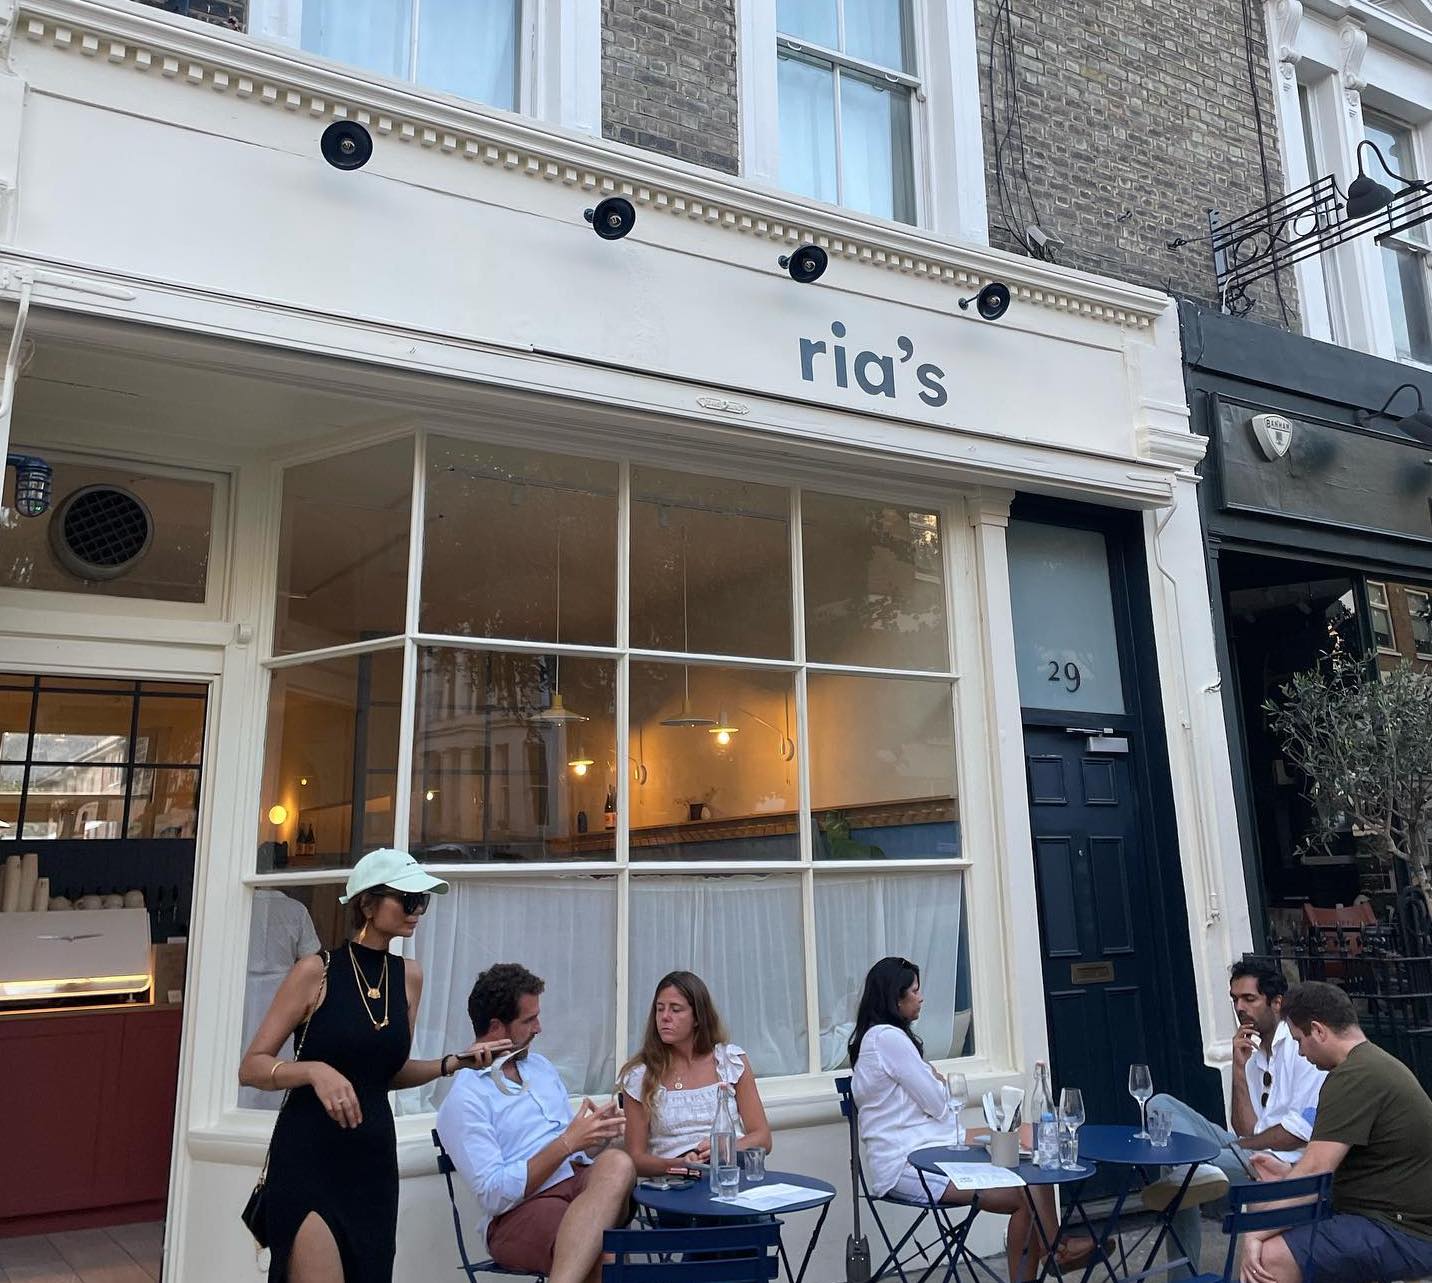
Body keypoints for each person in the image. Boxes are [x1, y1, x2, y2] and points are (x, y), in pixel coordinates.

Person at [238, 848, 509, 1283]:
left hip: (372, 1162)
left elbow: (387, 1072)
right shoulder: (316, 971)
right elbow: (252, 1066)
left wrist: (453, 1062)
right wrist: (313, 1070)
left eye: (422, 901)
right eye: (407, 900)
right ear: (368, 903)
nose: (417, 910)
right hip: (310, 1156)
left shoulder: (409, 976)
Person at [850, 957, 1062, 1283]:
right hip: (909, 1161)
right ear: (896, 997)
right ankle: (1054, 1251)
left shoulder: (881, 1039)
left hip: (934, 1143)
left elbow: (935, 1098)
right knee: (1023, 1194)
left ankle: (1057, 1247)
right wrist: (936, 1080)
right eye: (915, 991)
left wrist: (935, 1081)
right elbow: (937, 1102)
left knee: (1030, 1143)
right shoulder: (888, 1039)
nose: (921, 998)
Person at [435, 963, 636, 1283]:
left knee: (617, 1162)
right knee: (598, 1254)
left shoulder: (540, 1067)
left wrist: (596, 1136)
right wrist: (567, 1143)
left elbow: (575, 1152)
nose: (539, 1028)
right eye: (529, 1020)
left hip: (581, 1187)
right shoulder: (465, 1099)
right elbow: (493, 1194)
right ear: (497, 1027)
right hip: (520, 1211)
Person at [1238, 981, 1432, 1283]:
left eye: (1300, 1040)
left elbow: (1316, 1170)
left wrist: (1255, 1232)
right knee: (1271, 1203)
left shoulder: (1353, 1077)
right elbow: (1332, 1164)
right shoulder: (1372, 1064)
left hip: (1403, 1231)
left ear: (1318, 1030)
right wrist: (1288, 1168)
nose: (1301, 1053)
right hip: (1387, 1217)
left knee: (1266, 1259)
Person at [1143, 959, 1327, 1274]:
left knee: (1175, 1166)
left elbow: (1297, 1134)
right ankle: (1194, 1169)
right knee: (1160, 1105)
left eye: (1249, 999)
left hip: (1283, 1165)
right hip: (1248, 1151)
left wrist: (1239, 1146)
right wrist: (1239, 1070)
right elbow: (1243, 1127)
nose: (1240, 1008)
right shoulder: (1254, 1058)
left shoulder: (1301, 1047)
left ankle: (1192, 1172)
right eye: (1235, 1000)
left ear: (1276, 1002)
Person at [619, 970, 772, 1177]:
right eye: (660, 1009)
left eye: (676, 1009)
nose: (665, 1017)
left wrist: (728, 1148)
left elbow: (763, 1138)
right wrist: (678, 1164)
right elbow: (635, 1159)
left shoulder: (730, 1062)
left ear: (698, 1018)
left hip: (732, 1170)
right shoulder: (641, 1075)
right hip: (677, 1182)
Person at [240, 887, 321, 1110]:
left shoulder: (239, 905)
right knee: (278, 1046)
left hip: (241, 985)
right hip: (282, 986)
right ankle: (274, 1104)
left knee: (243, 1043)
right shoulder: (296, 910)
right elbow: (310, 955)